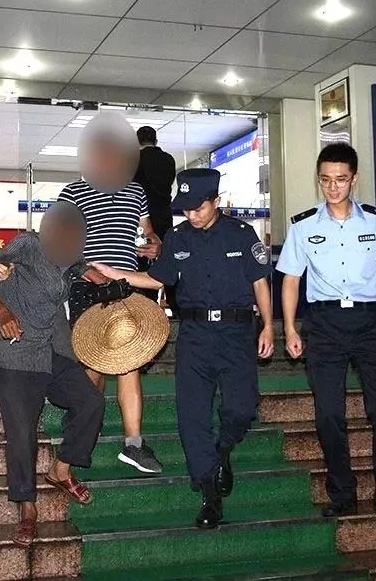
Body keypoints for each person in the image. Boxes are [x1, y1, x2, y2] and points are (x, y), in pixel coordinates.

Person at [91, 168, 274, 529]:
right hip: (194, 335)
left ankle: (222, 451)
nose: (191, 214)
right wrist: (114, 274)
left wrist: (268, 325)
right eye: (186, 208)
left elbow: (259, 283)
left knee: (241, 408)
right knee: (192, 416)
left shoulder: (241, 234)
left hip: (237, 332)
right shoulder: (177, 238)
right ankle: (209, 493)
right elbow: (156, 278)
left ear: (215, 202)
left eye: (198, 208)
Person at [275, 142, 376, 534]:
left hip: (370, 323)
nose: (333, 187)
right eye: (325, 180)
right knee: (329, 414)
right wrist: (290, 327)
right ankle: (343, 494)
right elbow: (291, 280)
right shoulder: (303, 226)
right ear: (318, 180)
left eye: (340, 179)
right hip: (324, 325)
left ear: (354, 179)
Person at [0, 202, 107, 547]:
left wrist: (91, 274)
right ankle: (27, 507)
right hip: (15, 351)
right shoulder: (28, 244)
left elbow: (74, 267)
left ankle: (60, 470)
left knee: (90, 401)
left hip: (51, 349)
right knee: (22, 432)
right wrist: (0, 310)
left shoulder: (71, 256)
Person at [58, 112, 163, 475]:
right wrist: (83, 269)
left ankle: (133, 444)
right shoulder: (73, 192)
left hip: (126, 285)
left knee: (129, 360)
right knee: (93, 362)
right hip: (87, 285)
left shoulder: (136, 192)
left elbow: (149, 232)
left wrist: (154, 244)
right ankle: (83, 428)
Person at [134, 126, 177, 307]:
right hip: (165, 219)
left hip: (141, 221)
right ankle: (174, 304)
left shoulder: (133, 160)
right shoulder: (168, 160)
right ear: (156, 141)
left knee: (143, 261)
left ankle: (146, 305)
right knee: (169, 259)